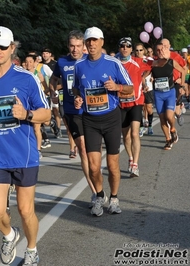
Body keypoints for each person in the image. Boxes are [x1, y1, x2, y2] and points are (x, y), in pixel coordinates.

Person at [0, 26, 50, 266]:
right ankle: (10, 235)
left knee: (26, 211)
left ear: (12, 48)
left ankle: (32, 249)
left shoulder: (26, 78)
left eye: (3, 46)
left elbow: (45, 113)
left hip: (23, 155)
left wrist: (26, 114)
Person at [73, 27, 133, 217]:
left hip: (111, 118)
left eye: (95, 40)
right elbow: (76, 89)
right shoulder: (79, 65)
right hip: (90, 120)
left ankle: (114, 198)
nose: (91, 44)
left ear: (102, 42)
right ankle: (100, 195)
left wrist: (117, 87)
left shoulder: (113, 63)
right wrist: (78, 99)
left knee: (113, 164)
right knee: (93, 166)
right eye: (88, 41)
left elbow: (130, 88)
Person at [50, 30, 97, 207]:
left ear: (84, 45)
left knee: (94, 153)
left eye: (78, 46)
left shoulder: (90, 60)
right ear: (68, 46)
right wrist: (53, 92)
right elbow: (53, 79)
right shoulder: (62, 62)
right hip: (71, 111)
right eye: (72, 46)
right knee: (83, 150)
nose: (75, 49)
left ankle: (99, 185)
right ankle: (95, 192)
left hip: (92, 111)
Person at [116, 37, 151, 177]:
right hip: (121, 103)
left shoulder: (137, 62)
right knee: (126, 136)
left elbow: (151, 67)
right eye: (122, 46)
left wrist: (143, 80)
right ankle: (130, 158)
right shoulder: (115, 63)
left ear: (131, 49)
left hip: (136, 102)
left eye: (128, 46)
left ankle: (135, 164)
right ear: (119, 48)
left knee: (135, 133)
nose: (125, 48)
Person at [151, 41, 186, 150]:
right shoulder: (152, 63)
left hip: (170, 92)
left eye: (162, 49)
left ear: (166, 49)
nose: (161, 51)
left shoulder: (171, 62)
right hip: (158, 94)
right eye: (158, 50)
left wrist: (182, 85)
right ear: (155, 52)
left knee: (169, 116)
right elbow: (143, 75)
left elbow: (183, 71)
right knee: (162, 119)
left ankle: (173, 129)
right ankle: (168, 140)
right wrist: (144, 84)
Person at [161, 39, 187, 126]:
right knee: (167, 110)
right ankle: (170, 129)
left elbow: (185, 68)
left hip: (175, 83)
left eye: (165, 45)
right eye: (162, 45)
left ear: (169, 46)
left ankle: (178, 114)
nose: (164, 47)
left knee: (174, 108)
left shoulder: (175, 56)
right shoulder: (158, 56)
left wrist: (181, 80)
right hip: (163, 85)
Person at [134, 43, 155, 135]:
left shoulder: (148, 60)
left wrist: (146, 77)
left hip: (148, 87)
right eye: (137, 50)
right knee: (139, 109)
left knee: (149, 108)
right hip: (138, 88)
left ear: (144, 51)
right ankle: (141, 127)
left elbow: (152, 69)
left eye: (141, 50)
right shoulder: (133, 61)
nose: (139, 52)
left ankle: (150, 125)